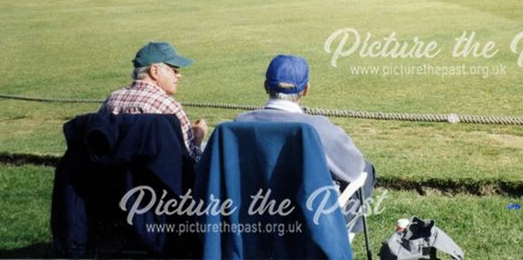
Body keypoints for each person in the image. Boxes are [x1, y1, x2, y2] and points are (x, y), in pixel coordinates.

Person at [235, 55, 373, 191]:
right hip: (306, 210)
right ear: (306, 89)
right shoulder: (317, 128)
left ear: (266, 86)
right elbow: (353, 169)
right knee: (366, 168)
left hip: (249, 207)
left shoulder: (238, 124)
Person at [99, 41, 207, 162]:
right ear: (154, 71)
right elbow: (191, 161)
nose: (179, 75)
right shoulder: (167, 106)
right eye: (174, 70)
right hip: (158, 179)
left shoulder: (111, 99)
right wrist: (197, 138)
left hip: (115, 178)